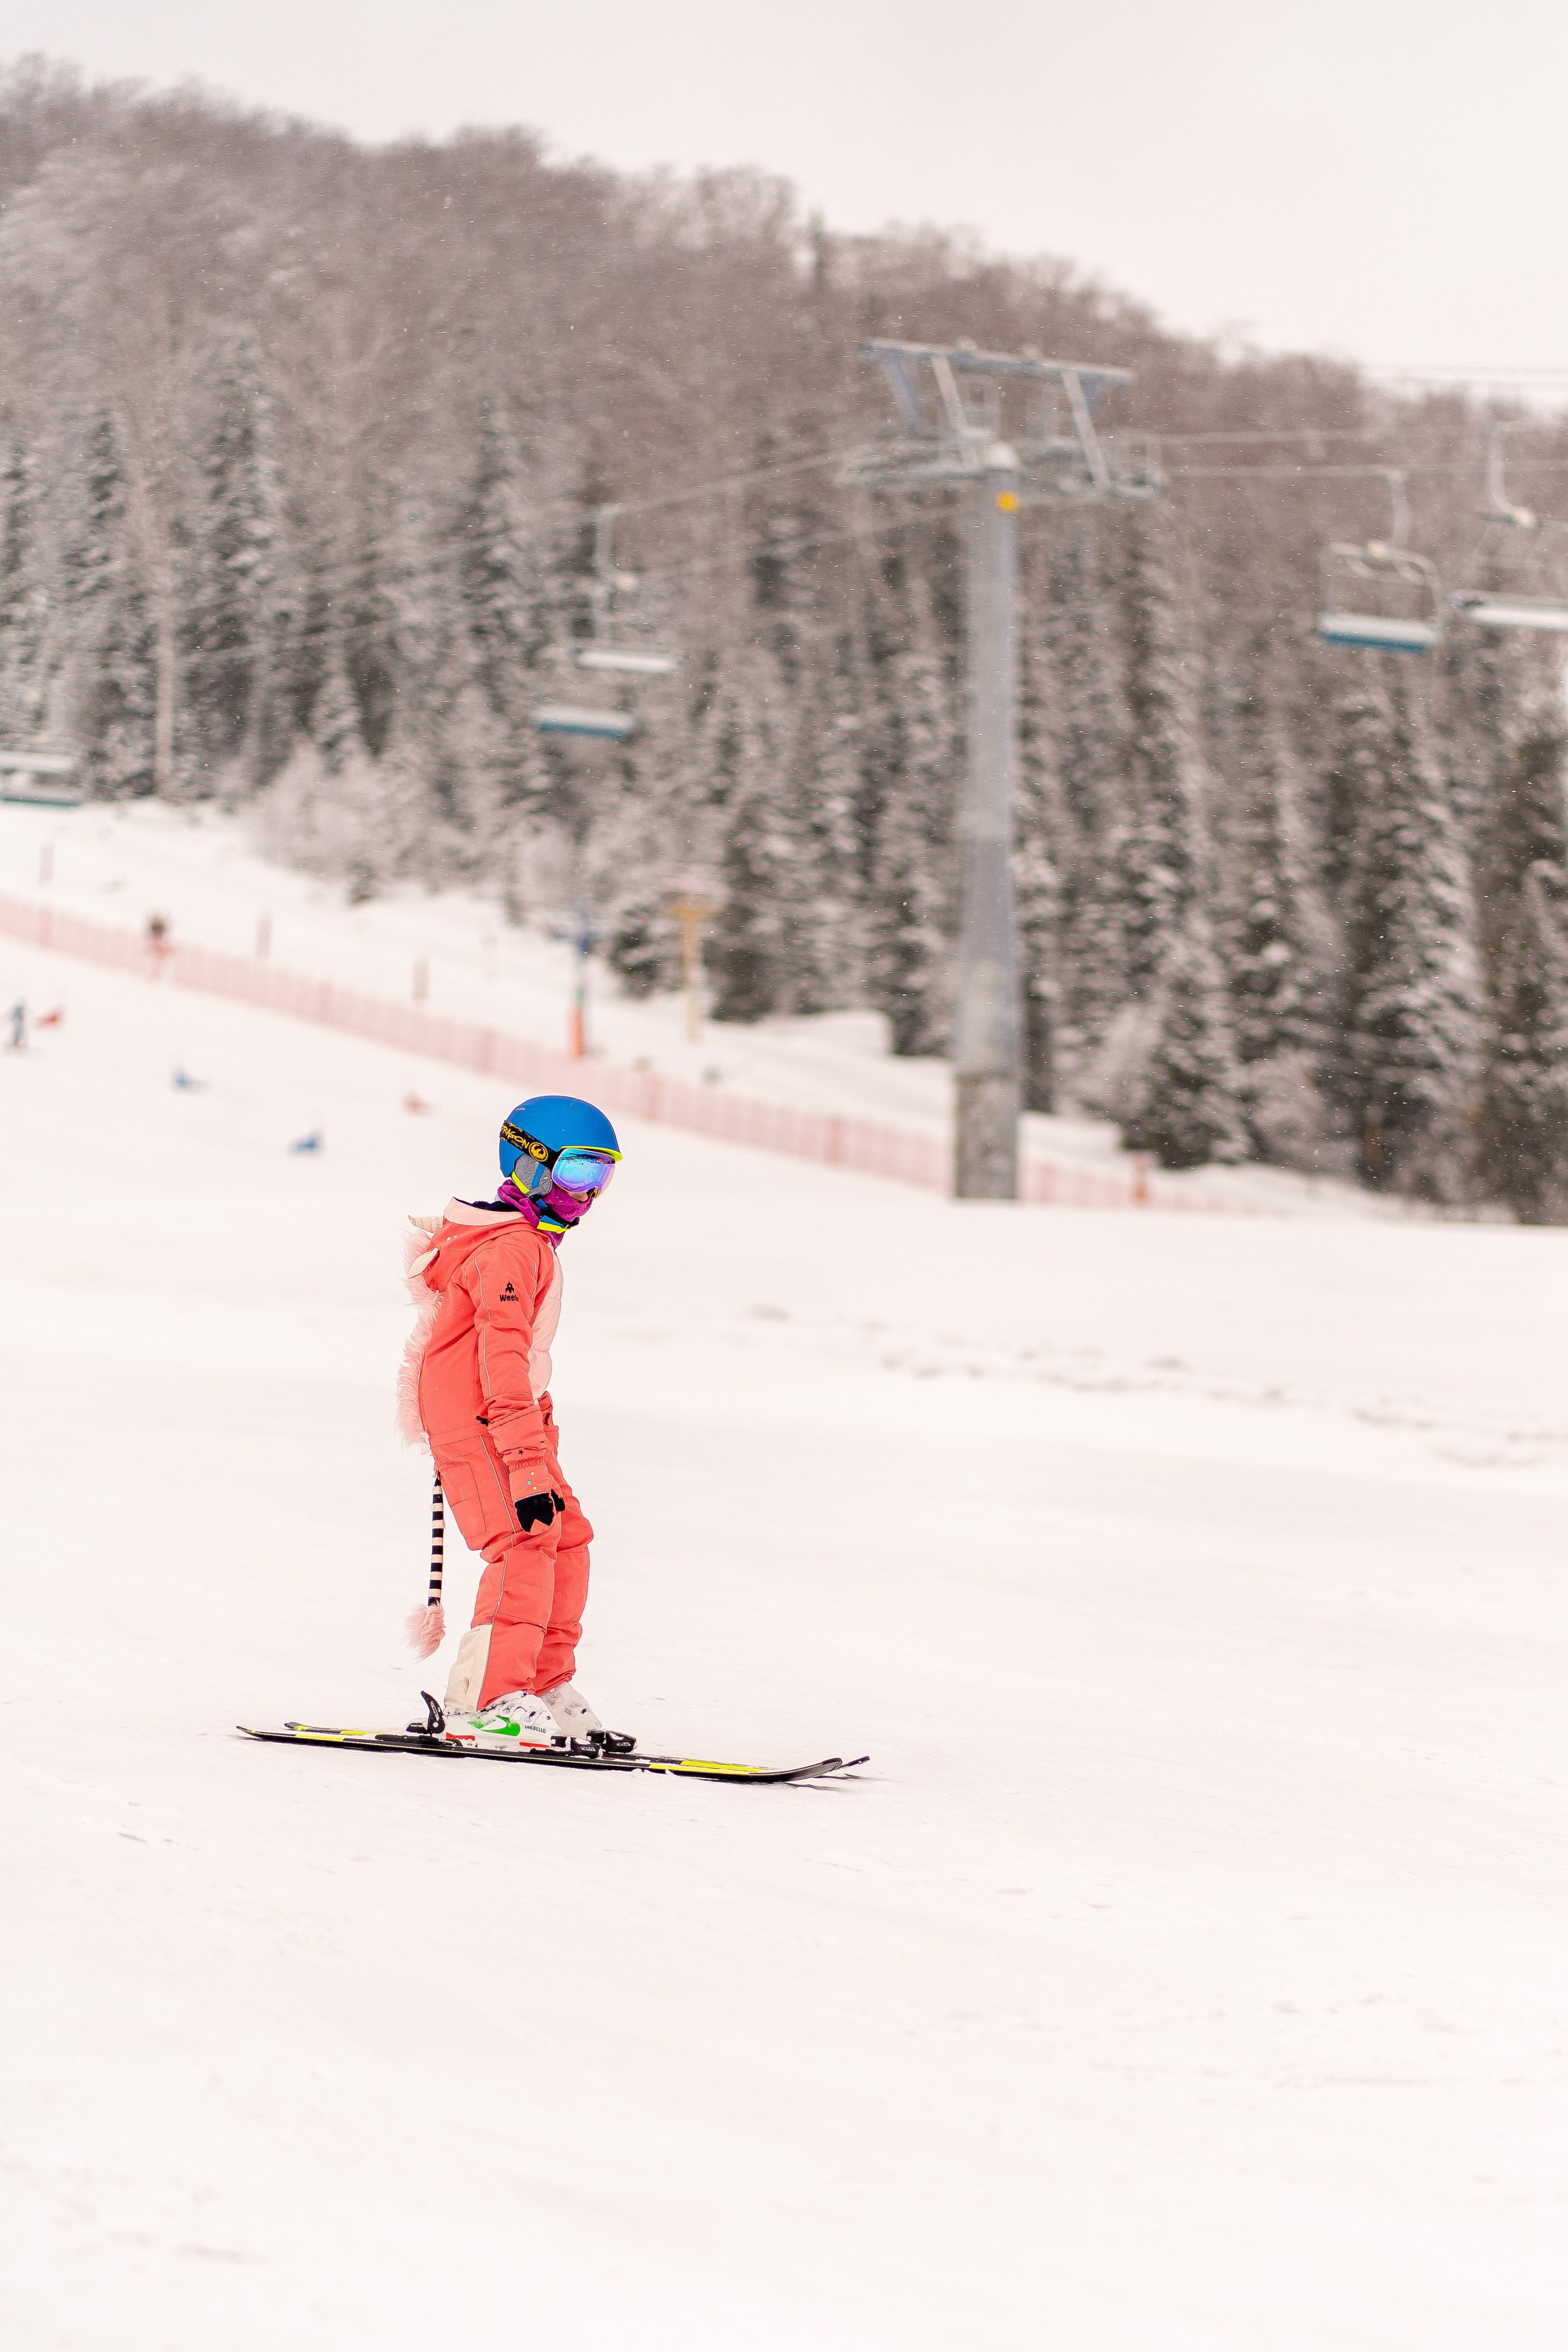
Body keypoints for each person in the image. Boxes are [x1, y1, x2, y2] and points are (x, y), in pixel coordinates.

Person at [398, 1093, 628, 1753]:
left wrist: (534, 1433)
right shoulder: (512, 1250)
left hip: (513, 1416)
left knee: (568, 1539)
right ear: (529, 1163)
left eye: (603, 1176)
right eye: (578, 1171)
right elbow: (497, 1359)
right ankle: (488, 1703)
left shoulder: (528, 1244)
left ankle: (540, 1684)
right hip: (480, 1420)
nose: (589, 1193)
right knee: (523, 1541)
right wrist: (524, 1460)